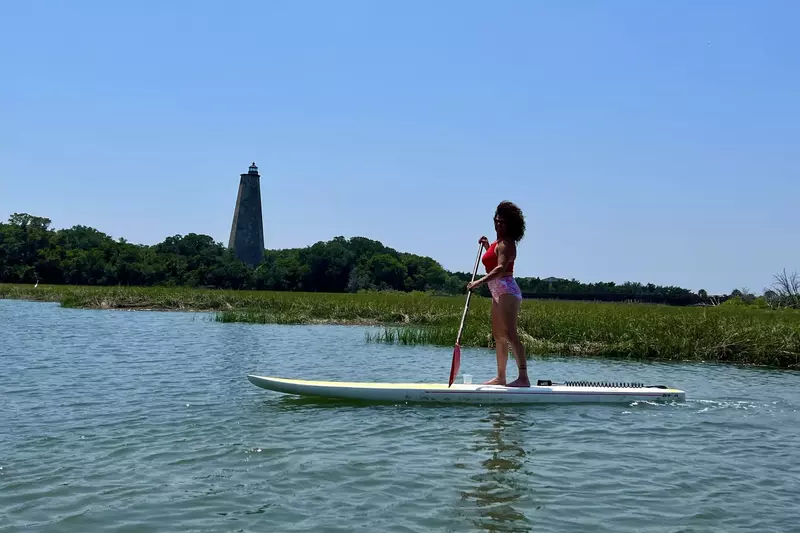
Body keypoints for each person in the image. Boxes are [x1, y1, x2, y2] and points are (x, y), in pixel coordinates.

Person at [466, 201, 529, 387]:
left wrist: (478, 282)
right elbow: (493, 261)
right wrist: (487, 246)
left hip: (507, 290)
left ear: (510, 225)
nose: (498, 224)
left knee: (510, 334)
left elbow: (501, 268)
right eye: (496, 221)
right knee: (499, 336)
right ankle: (501, 377)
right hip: (496, 291)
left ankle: (523, 378)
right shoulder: (497, 244)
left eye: (502, 222)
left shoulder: (507, 243)